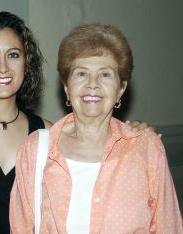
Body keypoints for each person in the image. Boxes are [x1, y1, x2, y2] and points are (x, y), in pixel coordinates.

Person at [0, 12, 153, 233]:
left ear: (27, 62)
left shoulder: (48, 133)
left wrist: (132, 133)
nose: (2, 67)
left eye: (13, 55)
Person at [10, 24, 182, 233]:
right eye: (81, 74)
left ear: (121, 89)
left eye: (105, 74)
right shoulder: (35, 150)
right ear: (67, 87)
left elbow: (168, 227)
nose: (93, 84)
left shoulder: (146, 149)